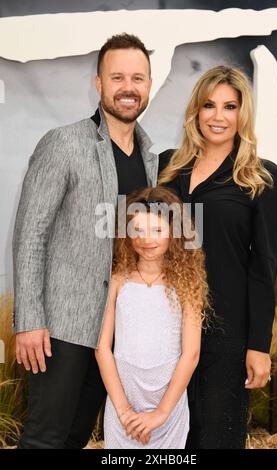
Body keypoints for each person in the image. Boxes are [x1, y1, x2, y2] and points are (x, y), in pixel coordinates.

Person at [12, 33, 158, 449]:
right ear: (98, 83)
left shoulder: (151, 159)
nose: (128, 87)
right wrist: (30, 320)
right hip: (60, 326)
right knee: (46, 437)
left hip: (113, 333)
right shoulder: (63, 143)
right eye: (117, 77)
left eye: (138, 78)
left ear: (149, 84)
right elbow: (31, 233)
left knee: (76, 437)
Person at [158, 65, 277, 449]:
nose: (218, 116)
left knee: (215, 438)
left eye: (229, 107)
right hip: (166, 329)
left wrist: (259, 345)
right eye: (209, 105)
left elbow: (264, 266)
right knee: (168, 443)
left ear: (242, 114)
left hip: (226, 333)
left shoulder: (262, 177)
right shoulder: (167, 168)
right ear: (195, 111)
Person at [96, 186, 209, 448]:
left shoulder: (187, 283)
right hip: (123, 402)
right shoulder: (116, 280)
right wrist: (124, 411)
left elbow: (191, 354)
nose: (148, 239)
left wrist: (160, 414)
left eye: (157, 230)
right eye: (138, 231)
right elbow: (102, 348)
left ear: (175, 233)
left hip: (168, 406)